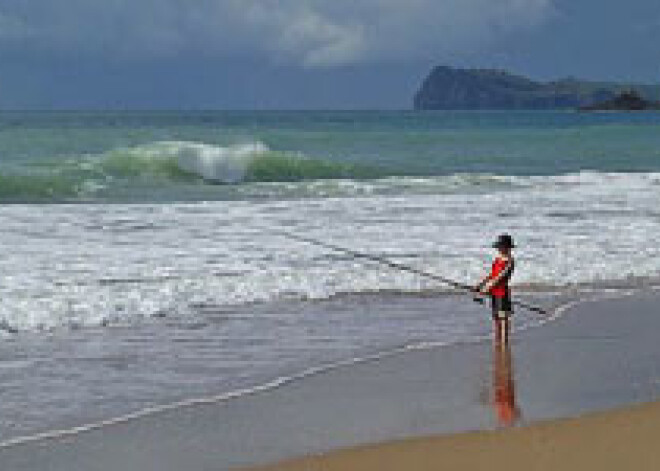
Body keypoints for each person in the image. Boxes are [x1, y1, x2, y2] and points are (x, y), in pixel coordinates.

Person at [475, 234, 515, 344]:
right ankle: (497, 339)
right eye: (498, 247)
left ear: (507, 247)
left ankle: (504, 341)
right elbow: (492, 274)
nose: (499, 249)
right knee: (496, 317)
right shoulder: (497, 259)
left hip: (502, 292)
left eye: (501, 246)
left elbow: (500, 277)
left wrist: (488, 288)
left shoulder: (510, 261)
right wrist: (482, 284)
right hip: (494, 291)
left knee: (503, 317)